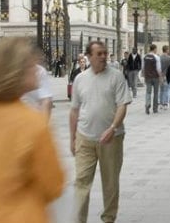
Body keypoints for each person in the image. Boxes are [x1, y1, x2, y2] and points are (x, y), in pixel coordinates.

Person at [0, 37, 64, 223]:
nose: (37, 69)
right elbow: (53, 185)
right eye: (32, 65)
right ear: (18, 71)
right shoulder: (32, 122)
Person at [70, 40, 132, 223]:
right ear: (89, 57)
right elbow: (74, 110)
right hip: (85, 137)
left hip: (112, 139)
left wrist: (113, 128)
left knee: (110, 182)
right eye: (99, 54)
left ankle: (108, 218)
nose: (104, 57)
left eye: (105, 53)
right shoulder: (80, 79)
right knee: (81, 181)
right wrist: (72, 138)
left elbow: (122, 105)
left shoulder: (116, 76)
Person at [142, 44, 162, 115]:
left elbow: (143, 68)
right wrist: (160, 77)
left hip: (148, 77)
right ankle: (155, 108)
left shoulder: (145, 56)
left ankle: (147, 104)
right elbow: (158, 68)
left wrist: (144, 76)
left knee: (148, 92)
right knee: (156, 93)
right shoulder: (156, 57)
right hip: (155, 77)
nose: (156, 50)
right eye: (156, 49)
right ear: (154, 49)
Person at [159, 45, 170, 109]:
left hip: (160, 75)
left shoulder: (159, 57)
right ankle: (165, 103)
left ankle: (161, 103)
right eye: (168, 49)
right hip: (167, 75)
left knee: (161, 90)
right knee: (166, 90)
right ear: (166, 50)